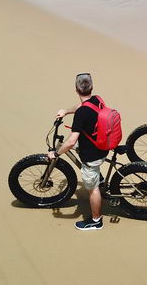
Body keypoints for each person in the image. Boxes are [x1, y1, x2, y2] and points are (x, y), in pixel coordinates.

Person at [49, 73, 109, 231]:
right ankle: (100, 178)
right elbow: (82, 106)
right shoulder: (97, 99)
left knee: (93, 189)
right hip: (102, 145)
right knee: (80, 152)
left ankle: (96, 221)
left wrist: (56, 154)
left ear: (76, 89)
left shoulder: (82, 114)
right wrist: (66, 111)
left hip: (93, 154)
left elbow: (71, 142)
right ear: (92, 87)